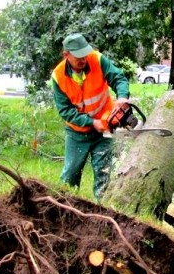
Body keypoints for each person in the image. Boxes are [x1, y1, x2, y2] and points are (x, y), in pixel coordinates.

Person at [51, 33, 130, 200]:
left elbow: (118, 78)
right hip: (77, 133)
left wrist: (122, 97)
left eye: (85, 54)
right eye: (78, 57)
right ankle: (65, 207)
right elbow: (65, 110)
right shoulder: (58, 76)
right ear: (67, 55)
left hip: (104, 129)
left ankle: (103, 213)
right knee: (70, 175)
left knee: (103, 175)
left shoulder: (97, 60)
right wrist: (91, 122)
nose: (83, 59)